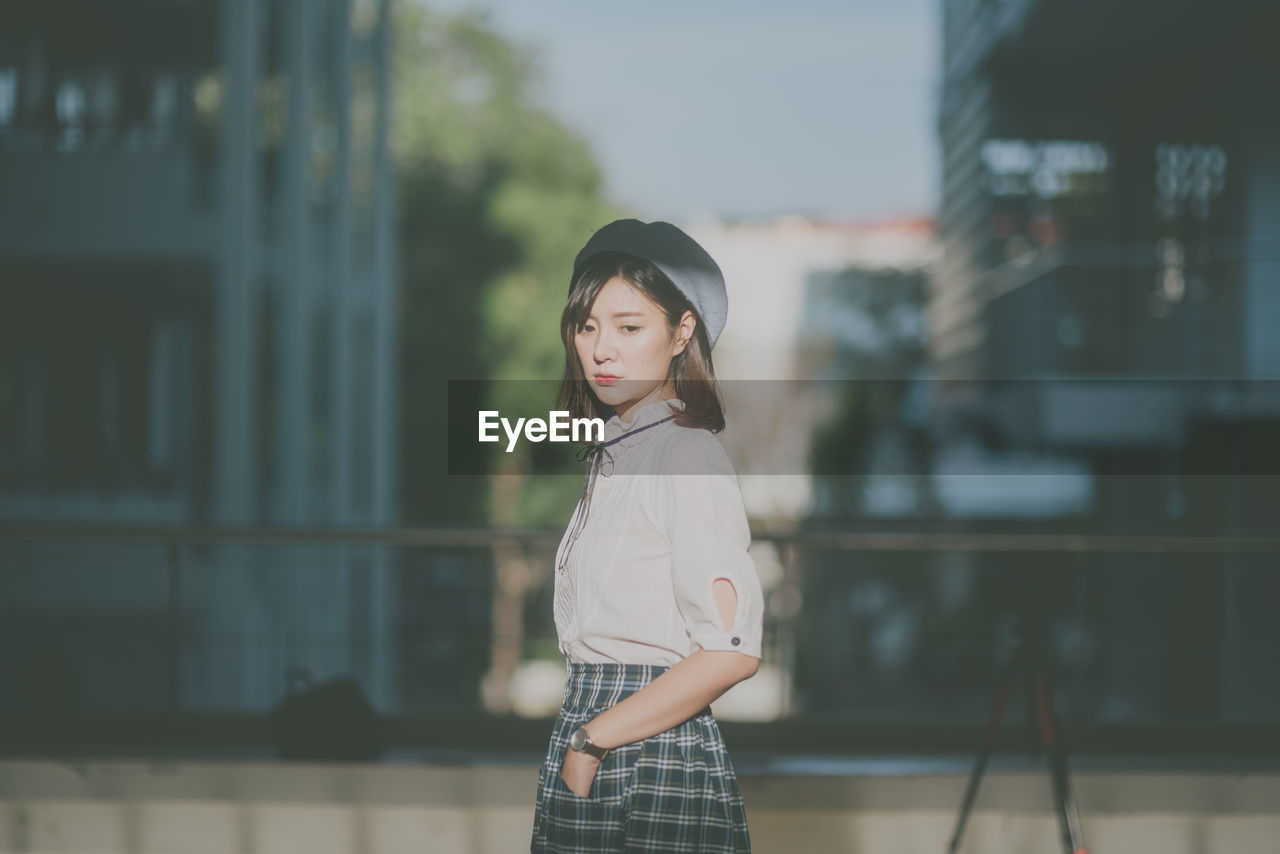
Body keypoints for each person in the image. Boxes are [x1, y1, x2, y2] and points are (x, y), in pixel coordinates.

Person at [530, 219, 765, 853]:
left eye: (629, 327)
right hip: (602, 729)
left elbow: (732, 649)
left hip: (643, 747)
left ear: (680, 331)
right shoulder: (621, 449)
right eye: (587, 327)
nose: (602, 349)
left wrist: (592, 741)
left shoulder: (683, 454)